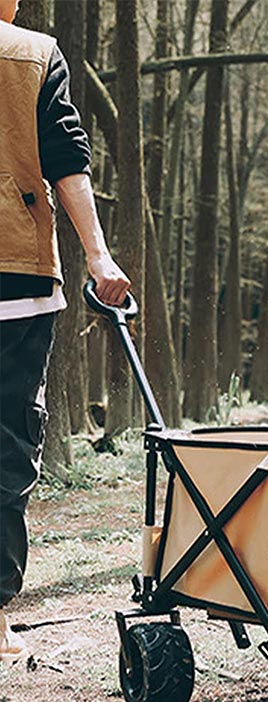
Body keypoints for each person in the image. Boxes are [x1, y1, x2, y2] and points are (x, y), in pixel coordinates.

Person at [0, 0, 131, 664]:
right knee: (8, 453)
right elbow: (66, 163)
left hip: (20, 289)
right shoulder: (32, 53)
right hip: (18, 283)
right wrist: (99, 257)